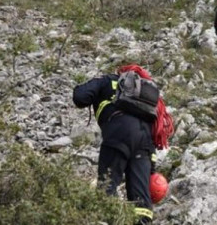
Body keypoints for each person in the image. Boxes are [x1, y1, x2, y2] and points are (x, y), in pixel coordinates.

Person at [72, 64, 174, 224]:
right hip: (145, 141)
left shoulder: (107, 80)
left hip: (118, 133)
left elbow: (80, 97)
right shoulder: (144, 98)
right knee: (142, 202)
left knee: (107, 187)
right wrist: (151, 169)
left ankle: (109, 219)